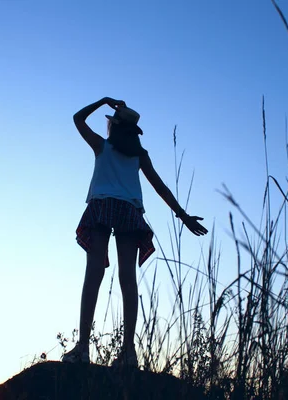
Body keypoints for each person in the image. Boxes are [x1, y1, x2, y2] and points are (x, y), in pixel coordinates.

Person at [62, 97, 208, 368]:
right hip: (129, 210)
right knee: (128, 278)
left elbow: (77, 119)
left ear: (114, 127)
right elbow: (160, 187)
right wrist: (183, 216)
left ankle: (83, 349)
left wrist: (104, 100)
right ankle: (128, 353)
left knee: (93, 274)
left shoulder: (102, 146)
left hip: (102, 205)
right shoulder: (140, 156)